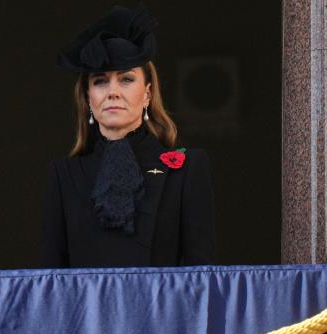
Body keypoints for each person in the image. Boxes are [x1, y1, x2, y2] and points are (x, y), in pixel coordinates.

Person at [41, 5, 215, 268]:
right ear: (88, 97)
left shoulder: (188, 168)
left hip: (164, 309)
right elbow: (50, 282)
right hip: (85, 311)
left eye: (126, 79)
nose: (113, 92)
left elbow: (202, 277)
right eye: (100, 81)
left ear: (147, 93)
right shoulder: (63, 174)